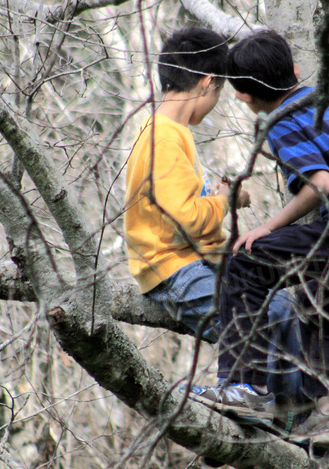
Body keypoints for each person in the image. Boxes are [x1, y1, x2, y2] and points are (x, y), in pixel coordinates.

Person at [194, 29, 329, 450]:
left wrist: (268, 228)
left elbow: (321, 183)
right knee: (322, 297)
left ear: (243, 96)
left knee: (245, 262)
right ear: (295, 69)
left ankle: (246, 387)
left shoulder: (281, 120)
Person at [124, 26, 301, 404]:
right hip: (174, 269)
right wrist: (225, 201)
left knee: (285, 302)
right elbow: (185, 219)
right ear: (207, 83)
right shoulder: (164, 136)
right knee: (276, 313)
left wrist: (222, 197)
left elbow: (181, 202)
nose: (218, 99)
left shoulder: (173, 132)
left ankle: (270, 405)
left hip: (196, 260)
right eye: (220, 90)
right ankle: (282, 411)